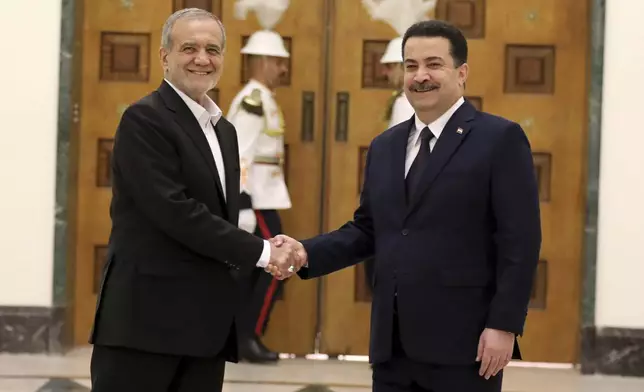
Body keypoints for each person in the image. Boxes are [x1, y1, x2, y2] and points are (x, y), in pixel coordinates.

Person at [271, 19, 541, 392]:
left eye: (433, 64)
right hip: (392, 347)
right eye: (411, 66)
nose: (420, 76)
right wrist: (305, 252)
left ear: (461, 72)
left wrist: (504, 324)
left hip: (465, 346)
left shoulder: (500, 139)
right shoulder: (385, 146)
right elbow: (368, 230)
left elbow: (520, 241)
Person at [88, 8, 298, 392]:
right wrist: (264, 252)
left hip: (204, 328)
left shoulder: (225, 132)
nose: (202, 59)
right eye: (189, 48)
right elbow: (176, 211)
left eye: (212, 49)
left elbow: (220, 213)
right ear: (165, 56)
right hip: (146, 325)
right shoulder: (144, 120)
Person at [226, 27, 291, 363]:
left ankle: (243, 337)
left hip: (266, 198)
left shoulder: (263, 98)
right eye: (279, 62)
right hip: (257, 202)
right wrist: (242, 203)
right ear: (264, 61)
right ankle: (246, 337)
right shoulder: (252, 101)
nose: (283, 69)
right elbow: (239, 155)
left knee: (261, 272)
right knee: (276, 269)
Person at [364, 34, 417, 295]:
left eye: (389, 66)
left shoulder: (404, 102)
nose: (385, 73)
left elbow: (401, 159)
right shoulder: (407, 100)